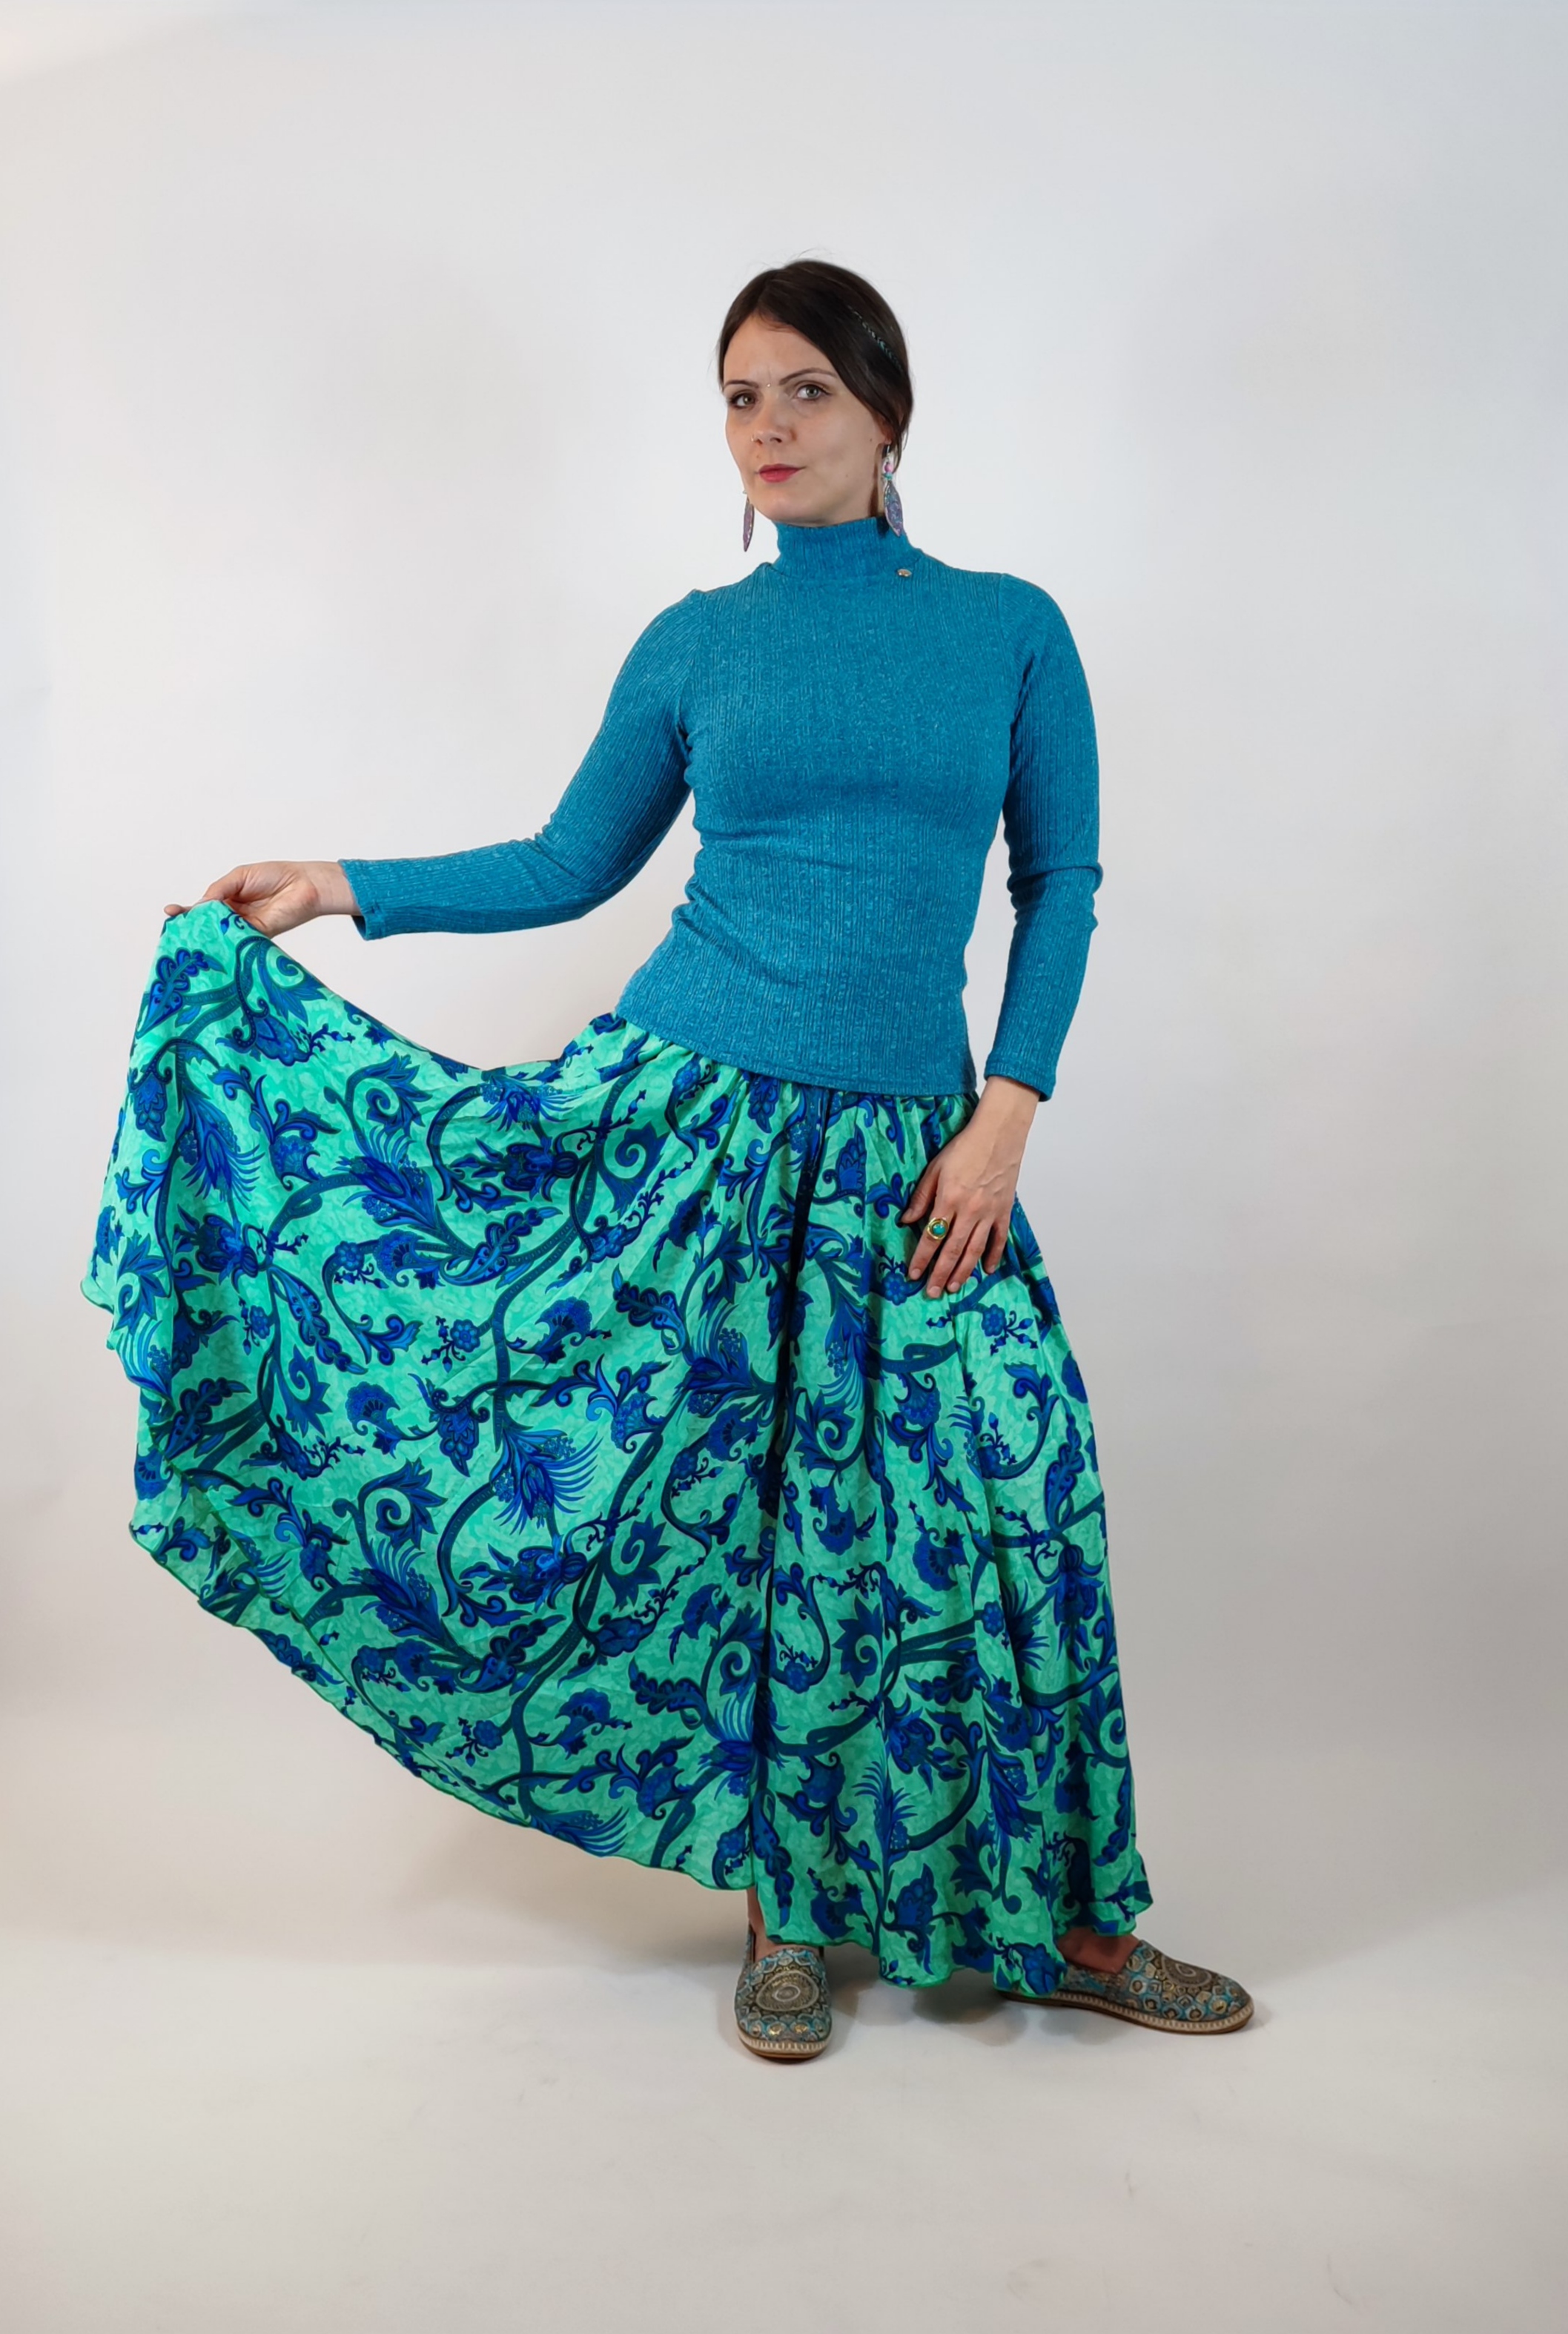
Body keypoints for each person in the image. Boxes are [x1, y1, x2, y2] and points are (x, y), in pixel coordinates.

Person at [86, 259, 1251, 2057]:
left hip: (916, 1149)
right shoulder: (697, 642)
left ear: (887, 410)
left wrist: (1009, 1107)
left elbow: (1062, 881)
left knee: (1014, 1488)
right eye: (739, 397)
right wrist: (338, 885)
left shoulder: (1011, 627)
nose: (768, 426)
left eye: (805, 389)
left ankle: (1076, 1918)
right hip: (687, 1129)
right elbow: (572, 863)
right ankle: (789, 1911)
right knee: (741, 1522)